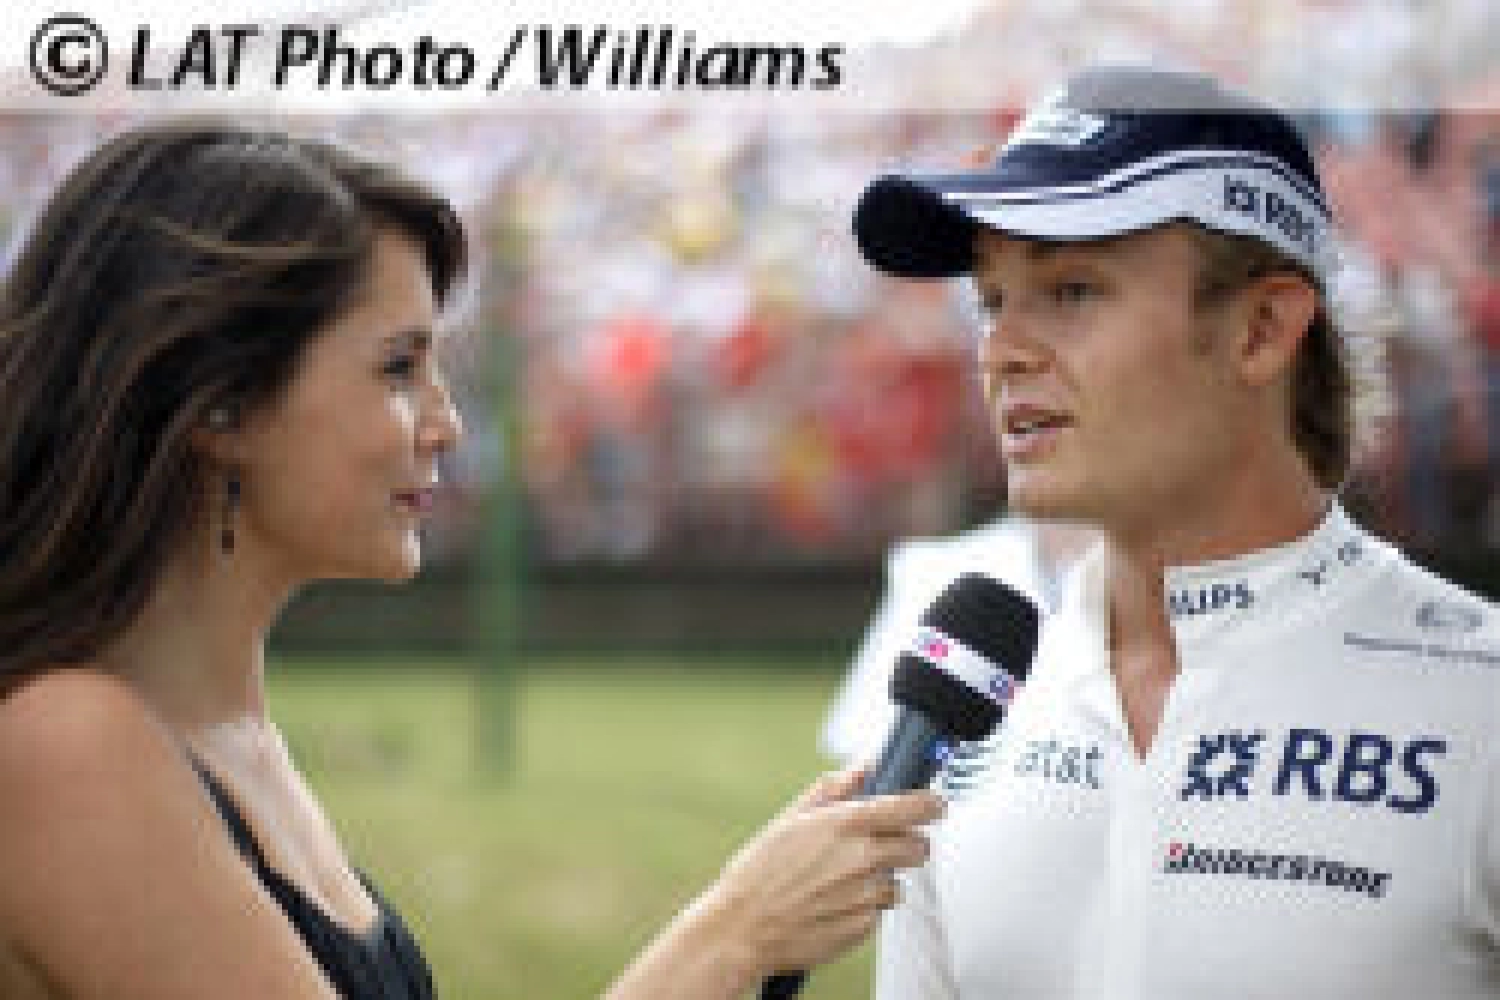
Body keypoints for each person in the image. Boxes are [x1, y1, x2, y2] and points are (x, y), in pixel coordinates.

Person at [0, 120, 942, 999]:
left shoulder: (229, 733)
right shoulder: (66, 748)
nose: (446, 424)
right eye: (397, 368)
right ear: (221, 406)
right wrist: (735, 933)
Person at [853, 65, 1500, 997]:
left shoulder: (1477, 701)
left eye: (1072, 291)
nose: (1002, 351)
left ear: (1262, 329)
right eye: (992, 300)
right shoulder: (961, 716)